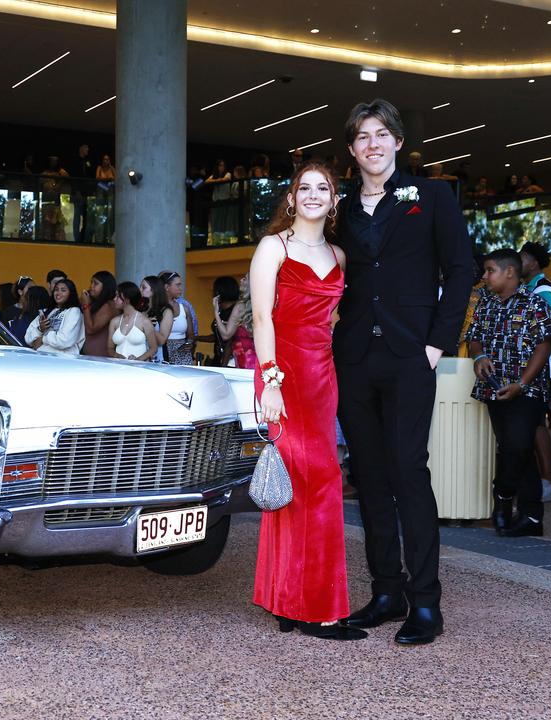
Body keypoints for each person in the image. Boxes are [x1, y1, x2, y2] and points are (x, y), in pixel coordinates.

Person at [333, 99, 475, 646]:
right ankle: (386, 591)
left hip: (412, 353)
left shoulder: (433, 196)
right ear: (352, 149)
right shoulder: (340, 208)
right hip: (353, 356)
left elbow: (459, 270)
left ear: (397, 142)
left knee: (409, 472)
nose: (372, 143)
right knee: (368, 475)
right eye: (362, 136)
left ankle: (425, 601)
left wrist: (439, 342)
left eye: (382, 133)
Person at [250, 161, 358, 641]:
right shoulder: (274, 247)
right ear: (291, 198)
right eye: (304, 188)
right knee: (294, 487)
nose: (313, 194)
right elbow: (260, 318)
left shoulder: (339, 253)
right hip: (282, 374)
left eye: (323, 188)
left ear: (334, 200)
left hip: (322, 377)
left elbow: (332, 320)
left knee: (323, 485)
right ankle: (308, 607)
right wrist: (271, 381)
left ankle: (295, 602)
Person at [465, 250, 551, 538]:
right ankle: (531, 516)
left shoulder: (535, 303)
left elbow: (544, 346)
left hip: (527, 390)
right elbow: (474, 337)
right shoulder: (486, 303)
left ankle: (502, 496)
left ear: (509, 273)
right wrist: (479, 358)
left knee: (515, 446)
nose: (485, 276)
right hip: (493, 386)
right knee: (519, 448)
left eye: (490, 270)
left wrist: (522, 383)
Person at [519, 241, 551, 503]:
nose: (518, 262)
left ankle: (549, 480)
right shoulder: (528, 287)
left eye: (522, 257)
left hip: (541, 364)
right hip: (527, 364)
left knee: (537, 423)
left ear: (534, 261)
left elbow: (546, 329)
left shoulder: (544, 289)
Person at [25, 278, 83, 355]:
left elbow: (64, 340)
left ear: (71, 293)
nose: (58, 293)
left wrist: (43, 339)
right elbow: (28, 338)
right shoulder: (47, 312)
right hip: (41, 358)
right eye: (56, 290)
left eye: (63, 290)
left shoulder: (74, 311)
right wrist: (39, 329)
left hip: (63, 361)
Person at [107, 282, 159, 361]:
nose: (114, 299)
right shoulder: (114, 322)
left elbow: (153, 348)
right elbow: (109, 348)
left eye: (118, 296)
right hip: (118, 367)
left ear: (127, 299)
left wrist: (137, 360)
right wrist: (117, 355)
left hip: (139, 368)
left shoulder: (144, 321)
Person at [157, 271, 195, 364]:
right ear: (166, 287)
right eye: (177, 285)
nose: (180, 289)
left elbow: (190, 334)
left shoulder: (184, 308)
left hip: (182, 355)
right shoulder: (157, 309)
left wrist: (189, 343)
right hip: (162, 352)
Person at [80, 271, 118, 357]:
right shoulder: (97, 303)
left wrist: (85, 305)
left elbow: (91, 329)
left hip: (101, 359)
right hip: (91, 357)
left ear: (105, 287)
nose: (91, 286)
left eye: (96, 283)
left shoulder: (108, 305)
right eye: (91, 282)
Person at [208, 276, 241, 365]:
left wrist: (224, 364)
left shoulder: (236, 309)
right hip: (218, 356)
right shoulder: (221, 310)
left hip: (231, 360)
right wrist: (197, 338)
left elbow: (228, 339)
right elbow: (217, 335)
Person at [70, 144, 94, 243]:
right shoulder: (75, 161)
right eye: (86, 148)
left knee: (86, 216)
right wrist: (77, 191)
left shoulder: (87, 162)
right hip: (78, 192)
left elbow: (90, 175)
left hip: (86, 193)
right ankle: (77, 238)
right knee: (77, 216)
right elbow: (73, 177)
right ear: (81, 149)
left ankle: (84, 237)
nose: (88, 149)